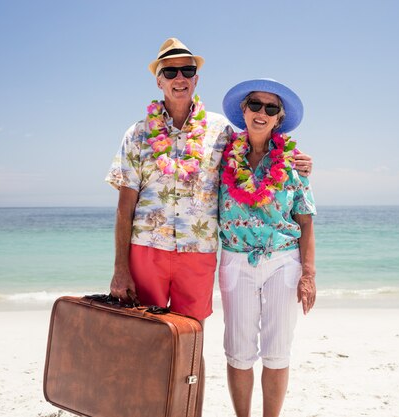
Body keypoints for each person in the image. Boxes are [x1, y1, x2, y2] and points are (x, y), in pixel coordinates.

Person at [105, 38, 312, 415]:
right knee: (147, 341)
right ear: (159, 81)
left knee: (191, 346)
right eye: (170, 71)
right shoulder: (136, 134)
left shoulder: (221, 132)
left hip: (198, 256)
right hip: (146, 250)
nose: (179, 77)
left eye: (187, 70)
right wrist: (120, 268)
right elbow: (124, 207)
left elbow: (261, 145)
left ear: (196, 78)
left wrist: (299, 160)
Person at [218, 78, 317, 417]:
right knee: (238, 350)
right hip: (235, 261)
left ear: (278, 118)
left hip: (283, 262)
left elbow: (305, 220)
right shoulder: (221, 155)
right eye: (255, 105)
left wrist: (309, 275)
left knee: (277, 351)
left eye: (270, 108)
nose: (262, 113)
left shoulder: (293, 163)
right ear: (243, 111)